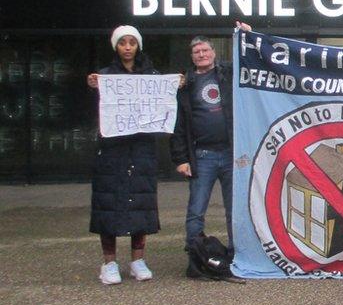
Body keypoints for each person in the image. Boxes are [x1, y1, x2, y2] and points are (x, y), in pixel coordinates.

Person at [86, 26, 167, 285]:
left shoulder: (151, 75)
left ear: (138, 46)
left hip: (141, 149)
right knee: (108, 204)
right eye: (123, 43)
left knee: (141, 204)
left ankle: (137, 259)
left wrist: (178, 84)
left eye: (132, 42)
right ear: (116, 47)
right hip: (112, 150)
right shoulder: (106, 75)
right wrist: (93, 88)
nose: (128, 47)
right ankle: (109, 262)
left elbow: (164, 100)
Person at [170, 22, 249, 271]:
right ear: (192, 57)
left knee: (233, 208)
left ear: (214, 53)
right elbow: (178, 124)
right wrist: (180, 159)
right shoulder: (185, 84)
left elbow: (248, 60)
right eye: (197, 52)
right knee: (196, 209)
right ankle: (195, 253)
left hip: (230, 154)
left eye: (205, 50)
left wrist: (246, 35)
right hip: (201, 155)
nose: (202, 55)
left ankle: (237, 253)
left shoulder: (227, 74)